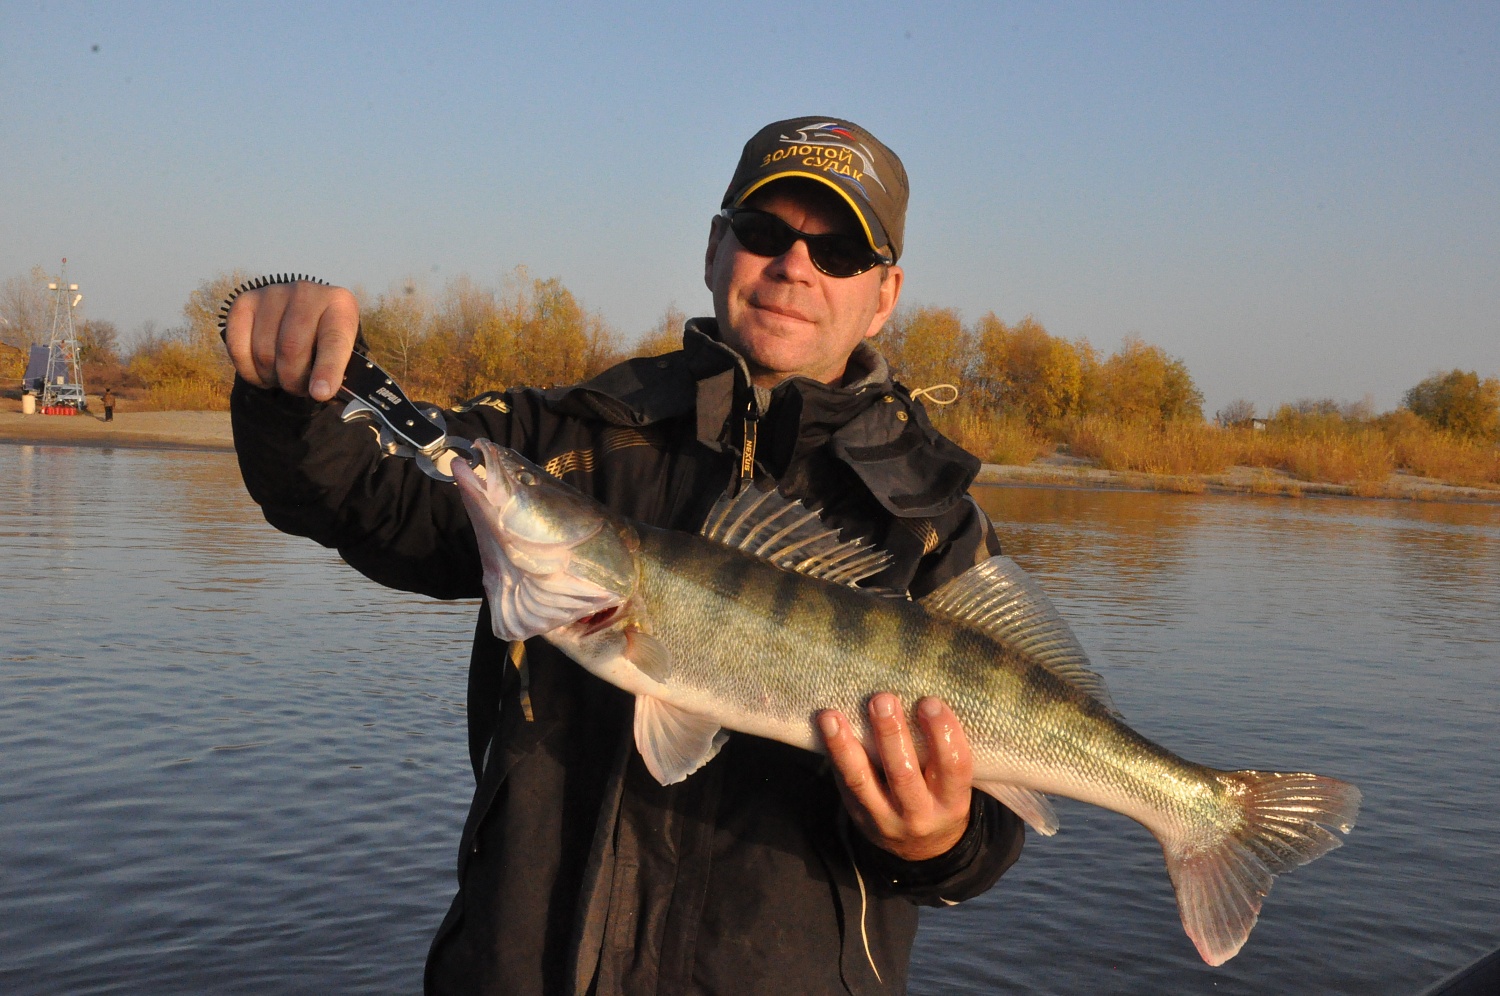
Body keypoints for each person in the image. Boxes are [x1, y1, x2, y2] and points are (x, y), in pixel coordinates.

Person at [222, 116, 1023, 995]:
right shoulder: (563, 437)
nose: (795, 267)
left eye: (836, 252)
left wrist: (936, 842)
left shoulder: (929, 522)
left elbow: (986, 845)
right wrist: (291, 390)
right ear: (717, 249)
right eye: (765, 234)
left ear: (883, 294)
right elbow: (365, 495)